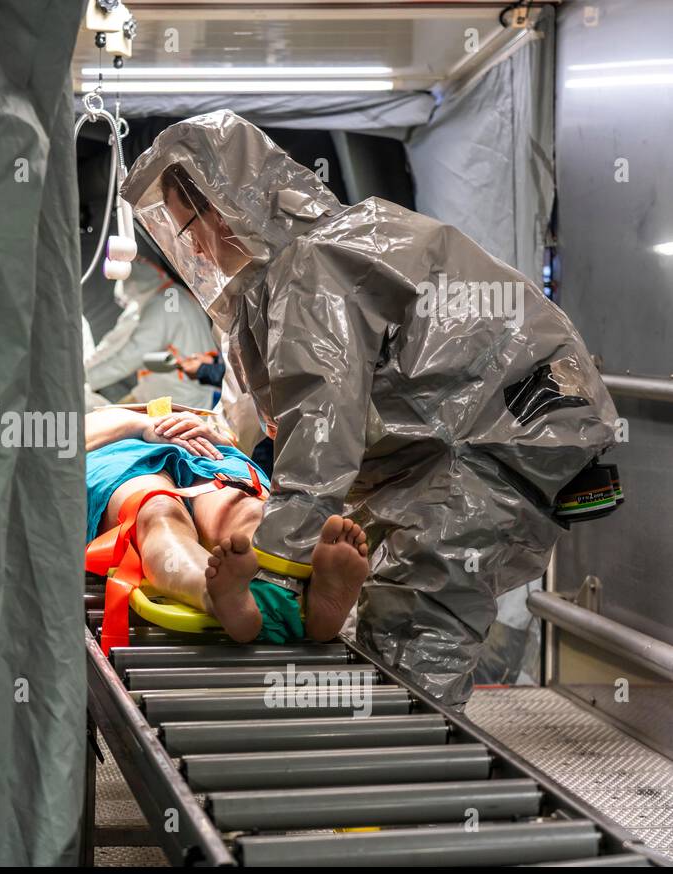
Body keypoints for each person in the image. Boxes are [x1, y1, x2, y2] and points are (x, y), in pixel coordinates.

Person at [122, 110, 619, 704]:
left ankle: (421, 773)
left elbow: (320, 420)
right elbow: (307, 406)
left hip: (492, 440)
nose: (195, 247)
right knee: (380, 599)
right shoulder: (319, 254)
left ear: (231, 202)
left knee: (414, 629)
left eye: (194, 223)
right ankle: (394, 742)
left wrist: (277, 561)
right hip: (472, 439)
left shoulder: (312, 264)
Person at [87, 407, 368, 644]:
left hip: (206, 449)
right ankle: (218, 593)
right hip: (120, 453)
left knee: (242, 507)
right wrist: (144, 424)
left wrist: (217, 438)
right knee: (156, 510)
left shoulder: (207, 416)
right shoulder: (98, 413)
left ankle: (300, 589)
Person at [86, 256, 216, 408]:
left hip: (177, 400)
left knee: (102, 420)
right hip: (189, 392)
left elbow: (130, 357)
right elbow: (117, 338)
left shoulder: (162, 304)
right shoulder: (173, 294)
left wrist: (86, 380)